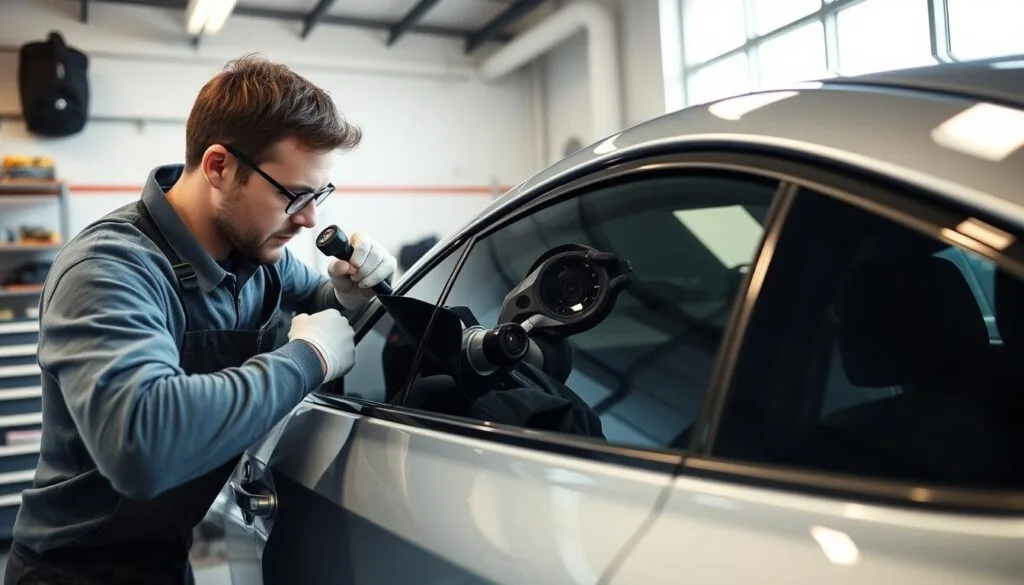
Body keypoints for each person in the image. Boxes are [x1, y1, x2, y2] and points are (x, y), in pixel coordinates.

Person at [3, 54, 397, 584]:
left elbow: (321, 307)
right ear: (218, 167)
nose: (308, 219)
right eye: (295, 195)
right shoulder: (110, 268)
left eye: (318, 194)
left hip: (168, 561)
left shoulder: (259, 260)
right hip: (72, 572)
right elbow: (143, 443)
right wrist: (306, 359)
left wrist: (346, 295)